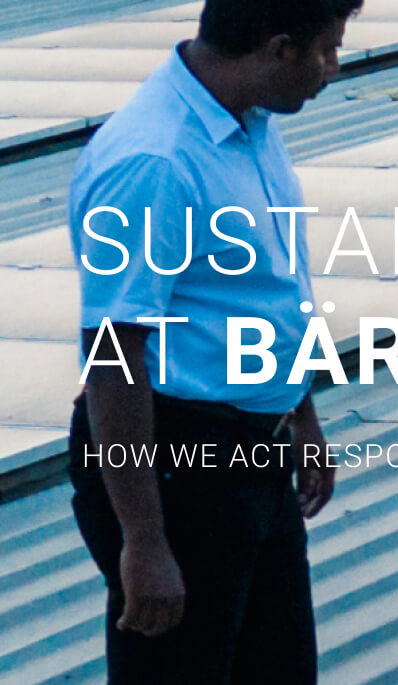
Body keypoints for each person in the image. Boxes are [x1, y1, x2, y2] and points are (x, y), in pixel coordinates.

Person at [66, 0, 358, 681]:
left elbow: (274, 287)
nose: (333, 69)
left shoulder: (249, 120)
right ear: (280, 47)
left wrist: (299, 413)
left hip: (253, 448)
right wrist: (144, 540)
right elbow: (113, 358)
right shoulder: (154, 161)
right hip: (175, 460)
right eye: (327, 50)